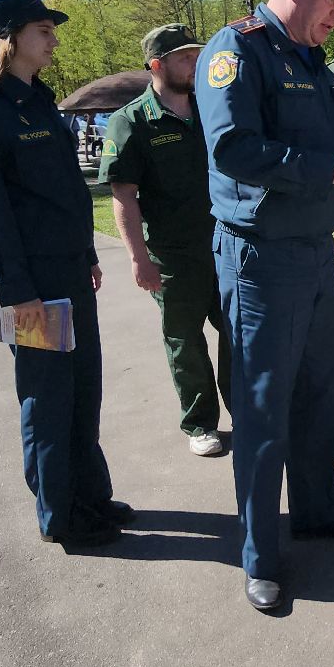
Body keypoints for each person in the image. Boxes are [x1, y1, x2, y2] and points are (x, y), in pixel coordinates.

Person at [194, 0, 334, 611]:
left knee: (319, 396)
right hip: (260, 259)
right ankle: (260, 554)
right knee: (262, 408)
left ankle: (316, 511)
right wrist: (332, 170)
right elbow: (232, 147)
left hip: (313, 250)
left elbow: (329, 149)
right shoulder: (237, 49)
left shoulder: (313, 61)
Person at [0, 0, 128, 550]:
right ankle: (62, 516)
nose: (53, 39)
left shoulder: (39, 99)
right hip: (29, 285)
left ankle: (89, 496)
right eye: (42, 30)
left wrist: (89, 253)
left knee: (82, 390)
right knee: (47, 398)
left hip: (70, 272)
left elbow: (67, 191)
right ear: (9, 37)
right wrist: (13, 291)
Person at [101, 23, 234, 458]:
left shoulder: (214, 108)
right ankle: (199, 422)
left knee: (238, 334)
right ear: (157, 65)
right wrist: (138, 258)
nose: (195, 65)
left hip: (226, 246)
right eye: (184, 58)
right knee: (185, 341)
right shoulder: (131, 121)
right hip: (174, 255)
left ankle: (247, 412)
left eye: (197, 56)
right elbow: (124, 195)